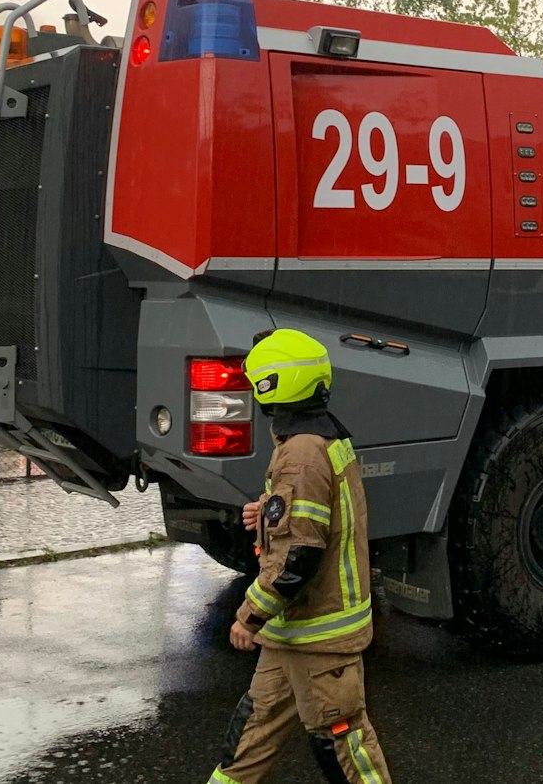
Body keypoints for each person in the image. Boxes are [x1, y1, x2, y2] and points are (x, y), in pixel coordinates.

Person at [208, 329, 393, 784]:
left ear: (273, 387)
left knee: (344, 747)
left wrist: (248, 615)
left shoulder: (301, 455)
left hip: (319, 637)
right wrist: (266, 512)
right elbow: (310, 520)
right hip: (294, 633)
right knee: (249, 738)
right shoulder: (317, 441)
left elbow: (300, 557)